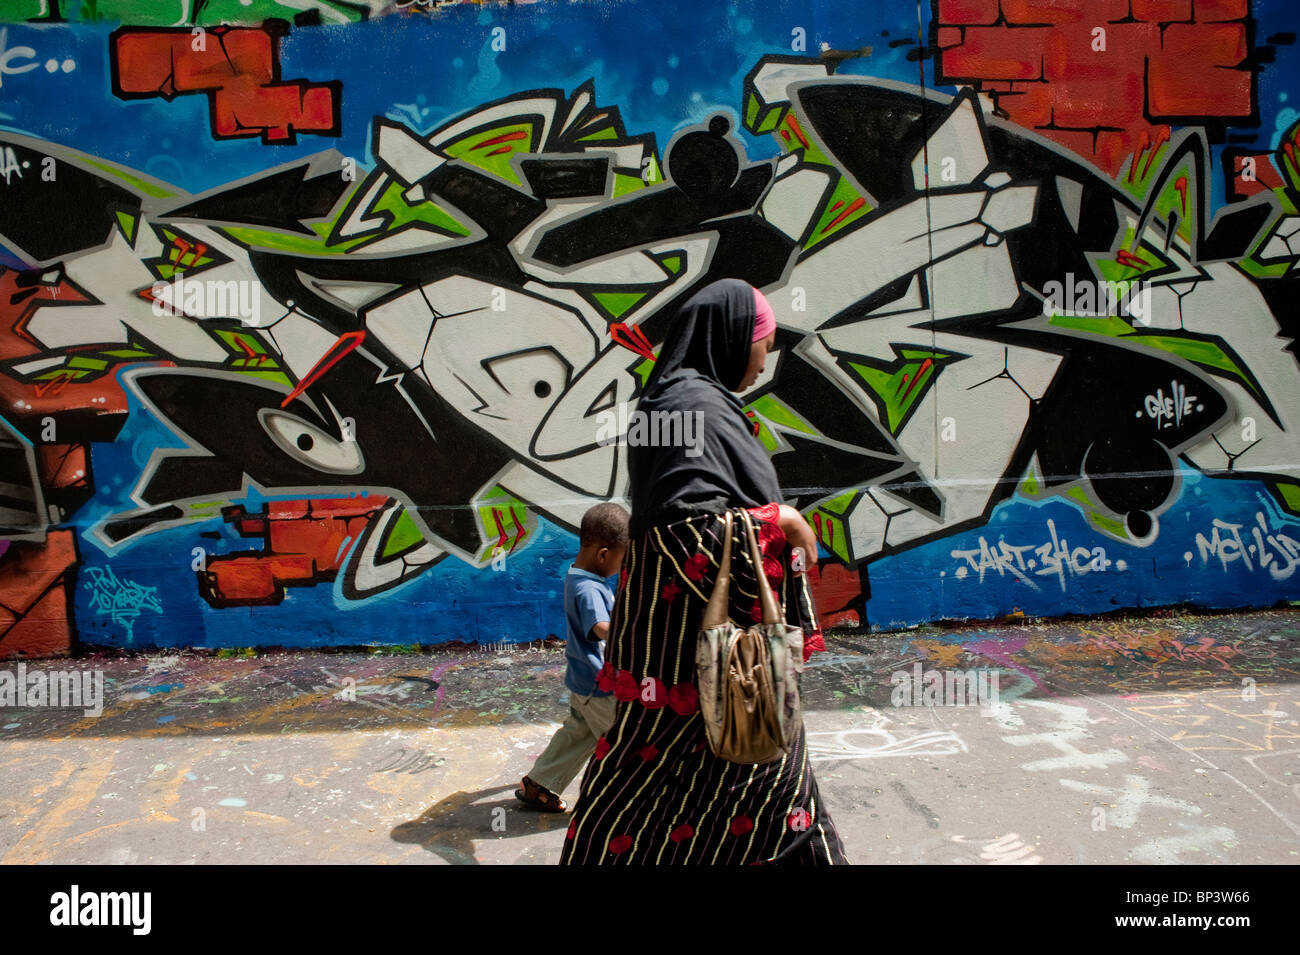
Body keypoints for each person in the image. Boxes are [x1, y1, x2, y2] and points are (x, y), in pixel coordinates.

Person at [560, 278, 848, 864]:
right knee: (732, 787)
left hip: (690, 664)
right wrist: (777, 520)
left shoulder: (684, 401)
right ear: (734, 338)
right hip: (708, 664)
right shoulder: (688, 405)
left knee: (658, 795)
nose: (765, 358)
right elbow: (684, 532)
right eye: (763, 341)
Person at [516, 502, 629, 813]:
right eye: (621, 560)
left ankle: (537, 783)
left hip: (582, 680)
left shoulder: (575, 576)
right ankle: (622, 803)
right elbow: (601, 626)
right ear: (604, 555)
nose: (621, 567)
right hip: (598, 684)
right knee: (623, 743)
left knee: (578, 735)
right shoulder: (591, 589)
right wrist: (630, 628)